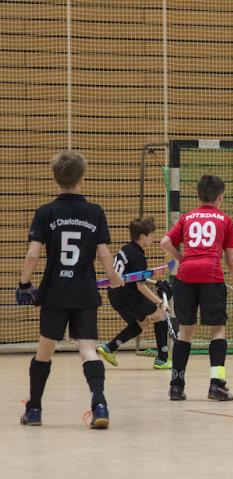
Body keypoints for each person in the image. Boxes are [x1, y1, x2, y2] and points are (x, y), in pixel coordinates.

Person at [16, 150, 124, 428]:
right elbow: (104, 253)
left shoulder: (45, 212)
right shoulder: (95, 212)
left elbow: (32, 254)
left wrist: (24, 284)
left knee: (45, 350)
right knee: (88, 349)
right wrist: (113, 278)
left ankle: (34, 409)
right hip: (84, 291)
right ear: (82, 178)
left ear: (55, 178)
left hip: (54, 292)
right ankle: (100, 404)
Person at [160, 174, 233, 402]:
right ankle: (217, 385)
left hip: (185, 276)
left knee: (185, 331)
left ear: (198, 196)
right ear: (220, 197)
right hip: (211, 276)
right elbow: (231, 260)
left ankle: (176, 386)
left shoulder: (187, 217)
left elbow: (164, 242)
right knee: (217, 330)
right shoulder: (225, 220)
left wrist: (181, 258)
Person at [97, 217, 173, 369]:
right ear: (142, 236)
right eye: (151, 235)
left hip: (114, 294)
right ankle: (162, 360)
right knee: (160, 315)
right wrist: (160, 302)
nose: (153, 238)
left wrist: (156, 283)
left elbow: (133, 277)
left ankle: (110, 348)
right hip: (128, 295)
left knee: (142, 323)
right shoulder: (138, 255)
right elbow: (140, 286)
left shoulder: (126, 249)